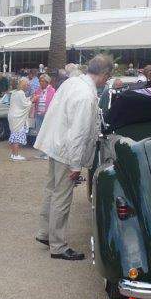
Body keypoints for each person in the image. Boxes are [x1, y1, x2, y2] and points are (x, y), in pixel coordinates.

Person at [34, 55, 111, 261]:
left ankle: (44, 233)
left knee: (52, 190)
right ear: (103, 75)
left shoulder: (72, 82)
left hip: (55, 144)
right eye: (107, 76)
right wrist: (76, 164)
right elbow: (78, 133)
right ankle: (57, 246)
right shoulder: (86, 95)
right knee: (62, 196)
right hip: (66, 150)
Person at [7, 77, 32, 161]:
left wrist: (30, 99)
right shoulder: (21, 93)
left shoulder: (14, 92)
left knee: (14, 135)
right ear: (24, 85)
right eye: (27, 85)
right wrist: (33, 100)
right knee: (17, 137)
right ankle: (16, 155)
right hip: (18, 118)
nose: (28, 87)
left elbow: (21, 102)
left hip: (12, 117)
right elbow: (25, 105)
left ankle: (13, 154)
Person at [31, 74, 55, 159]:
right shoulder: (37, 90)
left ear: (47, 82)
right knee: (39, 134)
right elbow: (33, 101)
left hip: (47, 115)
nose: (40, 83)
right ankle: (42, 153)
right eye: (40, 81)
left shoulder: (52, 91)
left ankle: (47, 153)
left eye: (42, 81)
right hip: (38, 114)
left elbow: (53, 103)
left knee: (47, 134)